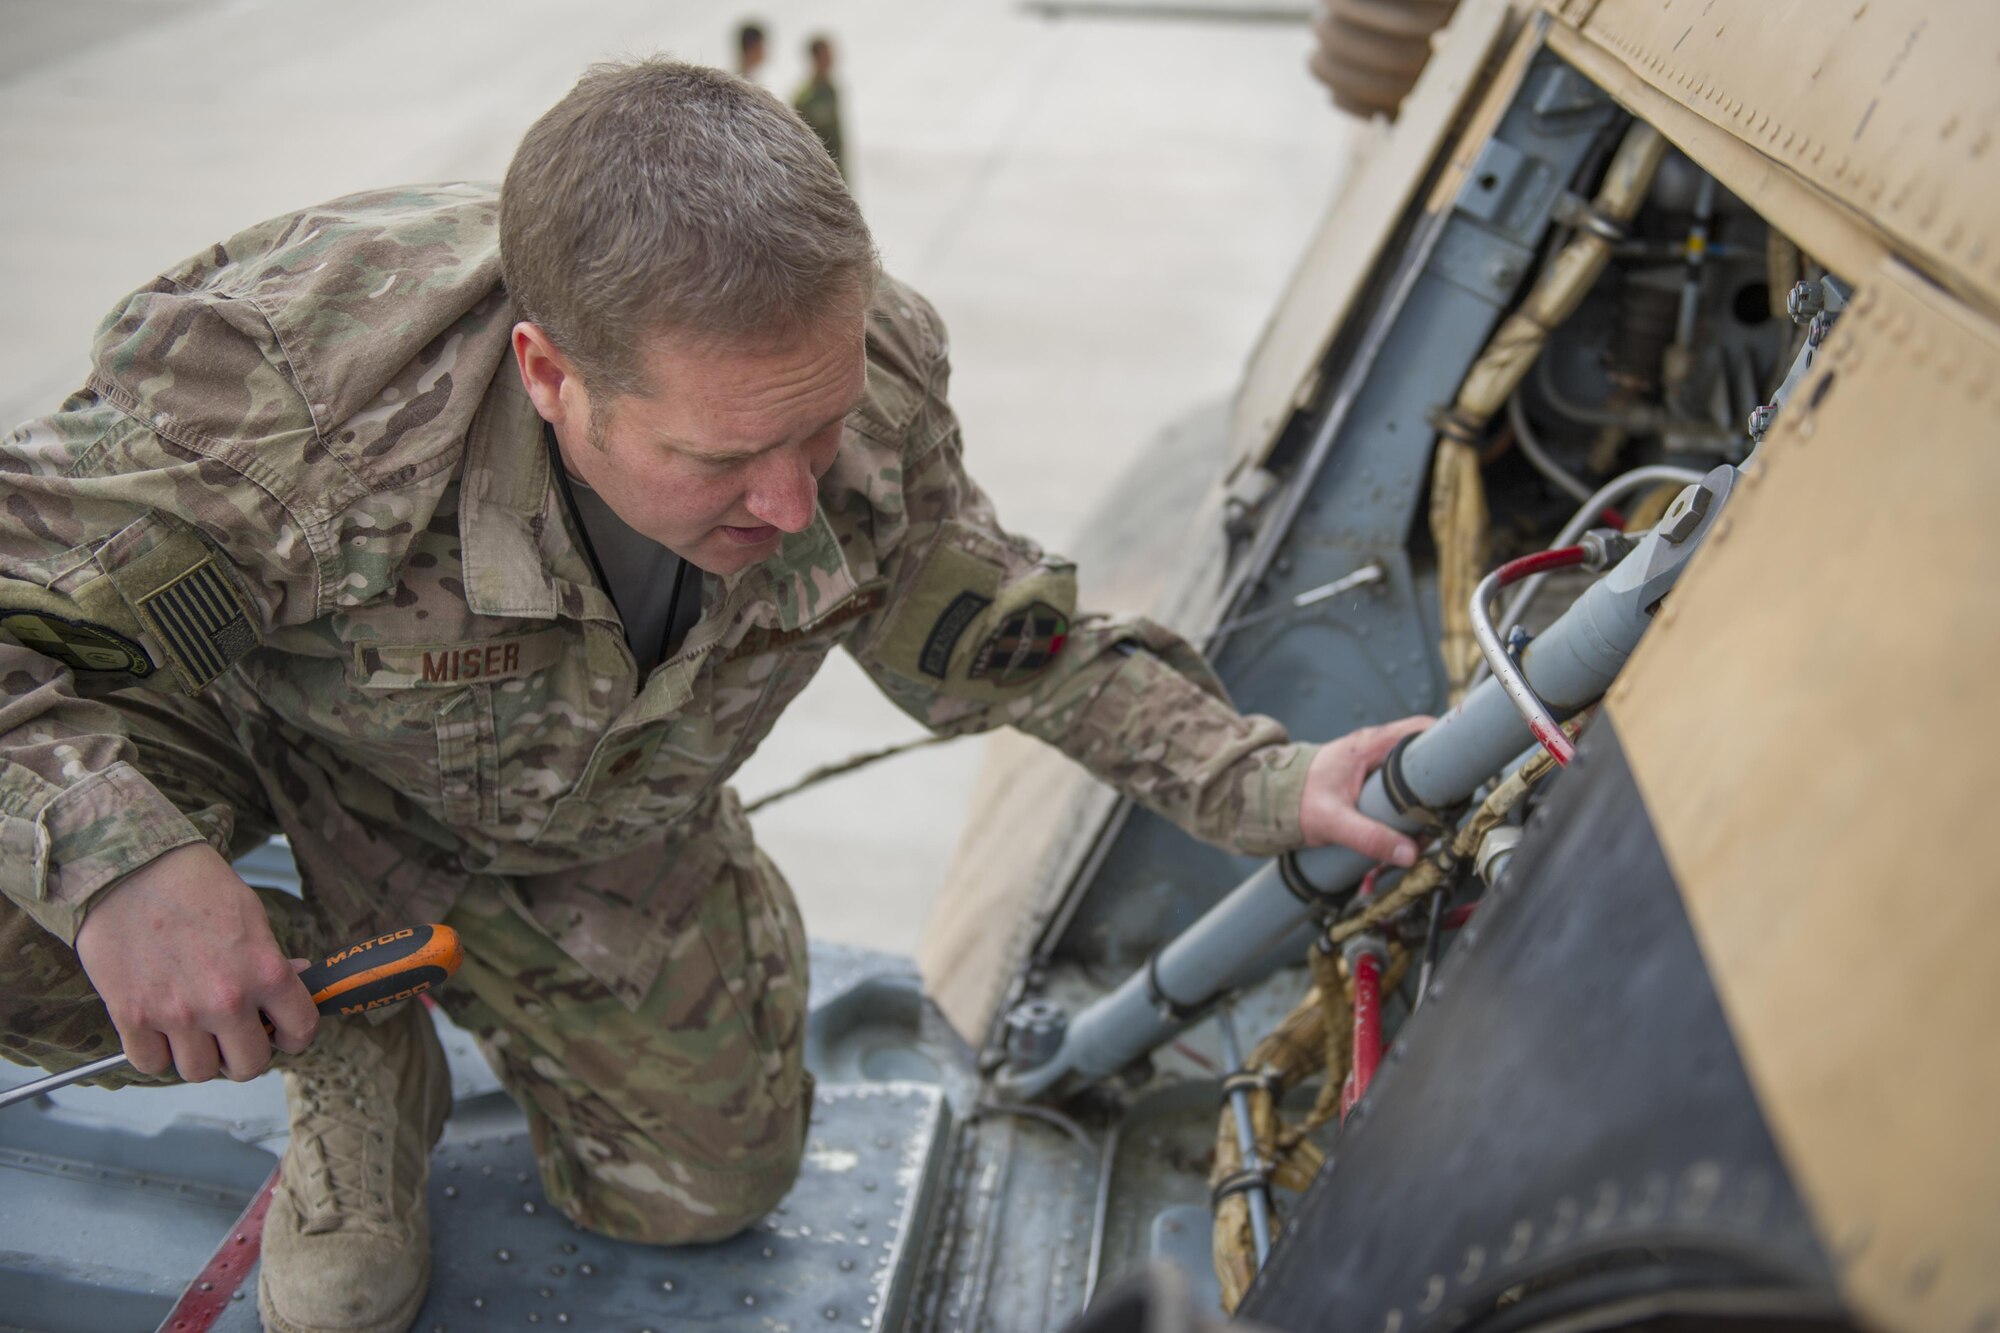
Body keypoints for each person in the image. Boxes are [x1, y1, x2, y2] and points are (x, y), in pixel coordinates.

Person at [0, 59, 1427, 1333]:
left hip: (585, 822)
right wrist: (122, 865)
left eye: (818, 428)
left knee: (700, 1192)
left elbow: (992, 630)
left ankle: (373, 976)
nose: (797, 501)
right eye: (729, 455)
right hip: (255, 736)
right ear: (551, 375)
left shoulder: (861, 379)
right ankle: (344, 1017)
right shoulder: (290, 391)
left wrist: (1264, 780)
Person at [793, 34, 847, 178]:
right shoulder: (805, 98)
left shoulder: (831, 90)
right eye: (826, 57)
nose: (830, 61)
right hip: (817, 172)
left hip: (838, 167)